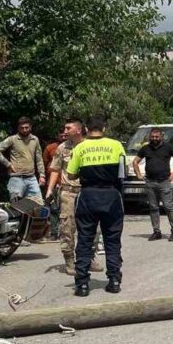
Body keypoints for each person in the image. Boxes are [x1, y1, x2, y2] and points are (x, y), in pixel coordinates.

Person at [65, 115, 125, 297]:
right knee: (112, 240)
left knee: (84, 239)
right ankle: (114, 280)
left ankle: (82, 284)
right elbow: (123, 173)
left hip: (88, 196)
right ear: (104, 128)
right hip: (111, 196)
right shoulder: (116, 145)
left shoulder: (80, 147)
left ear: (86, 129)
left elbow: (72, 174)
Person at [45, 119, 103, 275]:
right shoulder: (62, 148)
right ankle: (70, 261)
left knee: (93, 228)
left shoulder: (91, 146)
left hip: (88, 191)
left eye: (68, 128)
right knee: (67, 227)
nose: (65, 130)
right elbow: (55, 170)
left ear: (78, 130)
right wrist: (49, 190)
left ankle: (88, 258)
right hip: (68, 192)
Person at [132, 127, 173, 241]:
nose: (154, 139)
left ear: (161, 137)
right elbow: (135, 161)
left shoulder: (168, 147)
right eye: (152, 137)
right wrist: (138, 174)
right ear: (150, 137)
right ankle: (156, 231)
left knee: (168, 206)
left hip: (164, 181)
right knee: (153, 207)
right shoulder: (145, 148)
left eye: (157, 137)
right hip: (150, 182)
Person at [0, 116, 45, 203]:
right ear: (18, 128)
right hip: (17, 178)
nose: (24, 130)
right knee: (16, 206)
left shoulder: (35, 139)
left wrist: (42, 175)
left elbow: (39, 158)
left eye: (26, 127)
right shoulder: (12, 139)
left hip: (31, 178)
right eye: (22, 128)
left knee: (38, 205)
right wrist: (8, 164)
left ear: (30, 127)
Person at [43, 130, 64, 242]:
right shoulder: (50, 148)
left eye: (64, 134)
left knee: (65, 209)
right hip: (54, 183)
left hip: (67, 183)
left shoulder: (74, 147)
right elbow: (45, 162)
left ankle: (65, 233)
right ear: (57, 135)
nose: (63, 136)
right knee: (54, 209)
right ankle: (54, 232)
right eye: (61, 134)